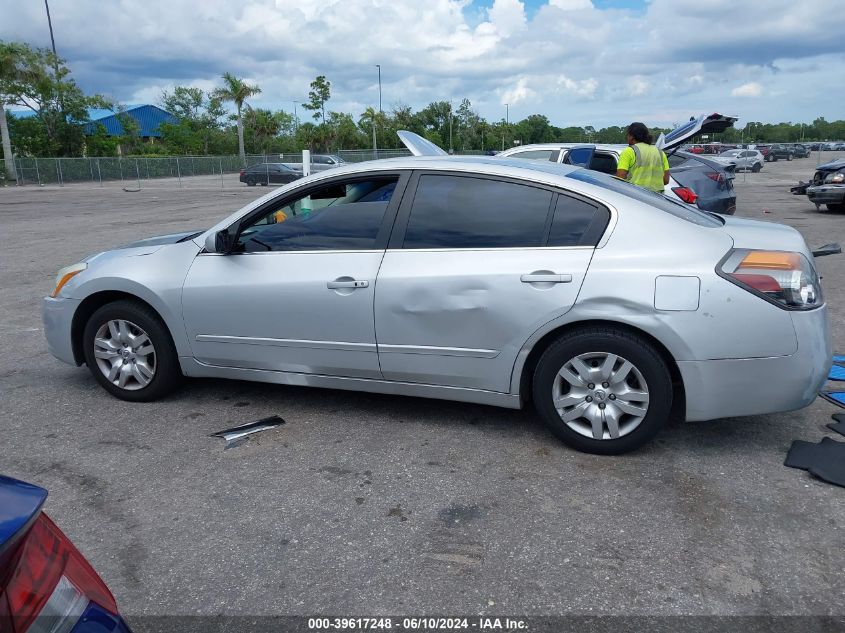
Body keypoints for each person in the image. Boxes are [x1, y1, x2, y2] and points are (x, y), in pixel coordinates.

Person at [615, 122, 670, 193]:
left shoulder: (629, 151)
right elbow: (666, 180)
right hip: (657, 199)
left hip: (636, 197)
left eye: (627, 135)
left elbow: (620, 179)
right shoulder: (660, 152)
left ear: (631, 136)